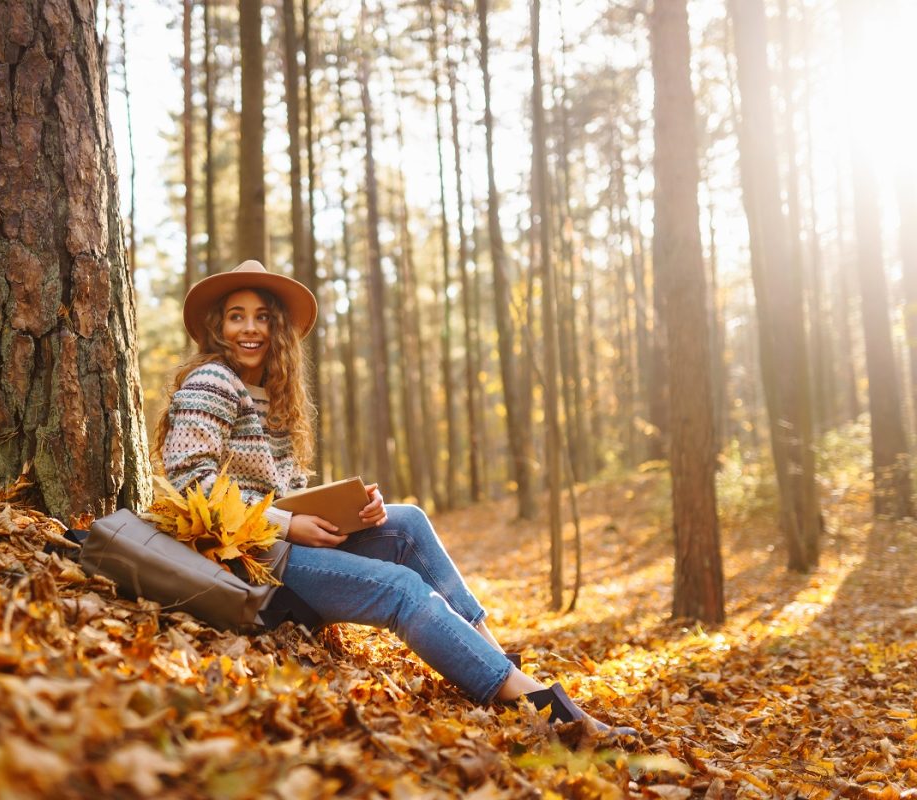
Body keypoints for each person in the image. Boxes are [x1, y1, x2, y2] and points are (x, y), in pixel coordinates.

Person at [152, 260, 634, 738]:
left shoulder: (270, 393)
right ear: (218, 327)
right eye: (237, 316)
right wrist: (286, 524)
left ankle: (495, 661)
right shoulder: (211, 382)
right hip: (247, 561)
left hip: (279, 544)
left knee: (407, 523)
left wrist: (349, 509)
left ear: (277, 327)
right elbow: (191, 482)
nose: (250, 328)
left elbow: (282, 491)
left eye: (262, 316)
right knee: (403, 589)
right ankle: (539, 705)